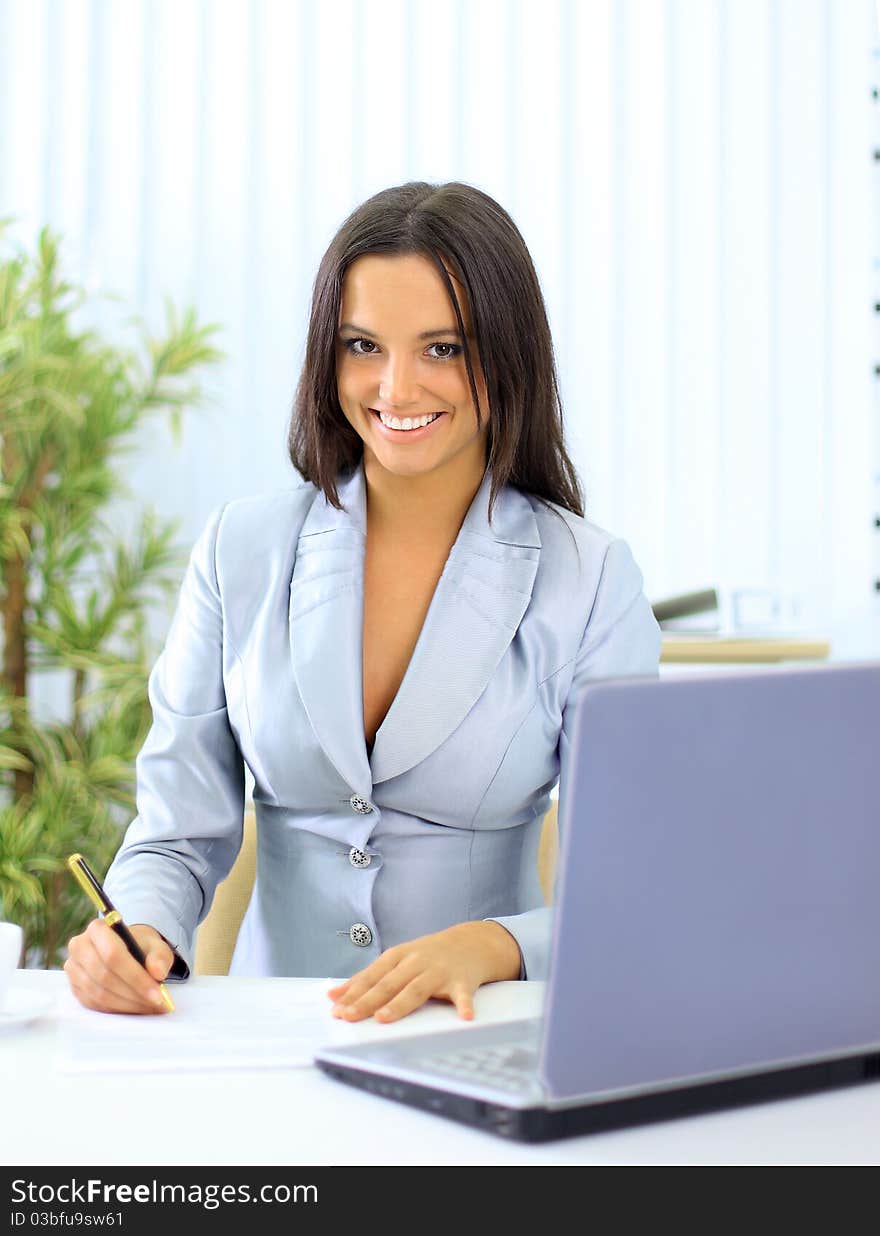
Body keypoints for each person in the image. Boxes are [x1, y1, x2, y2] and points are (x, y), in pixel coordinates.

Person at [64, 180, 661, 1024]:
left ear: (508, 352)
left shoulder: (590, 578)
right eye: (362, 345)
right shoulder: (241, 550)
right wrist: (139, 933)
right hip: (271, 1038)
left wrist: (494, 946)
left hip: (480, 1028)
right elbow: (175, 831)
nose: (397, 386)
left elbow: (634, 879)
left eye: (443, 349)